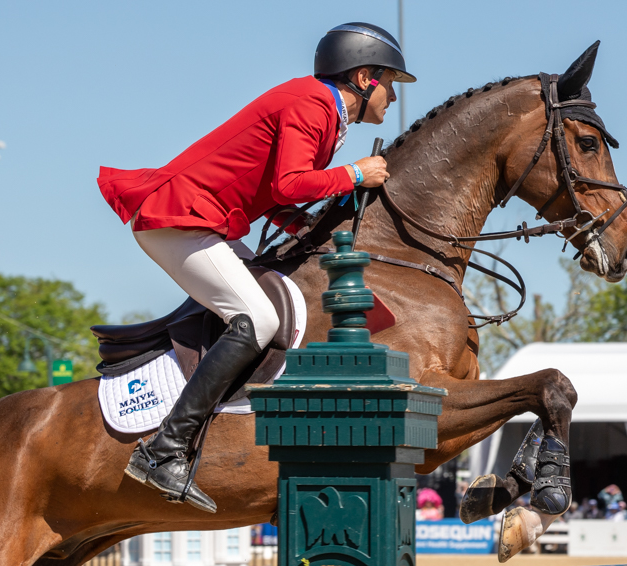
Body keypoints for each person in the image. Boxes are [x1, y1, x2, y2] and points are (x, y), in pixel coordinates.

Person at [98, 23, 413, 514]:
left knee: (280, 294)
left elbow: (270, 189)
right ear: (366, 76)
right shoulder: (311, 104)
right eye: (390, 83)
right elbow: (290, 182)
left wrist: (296, 222)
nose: (392, 97)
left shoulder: (323, 112)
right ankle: (164, 451)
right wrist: (354, 173)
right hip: (179, 219)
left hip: (204, 220)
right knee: (258, 320)